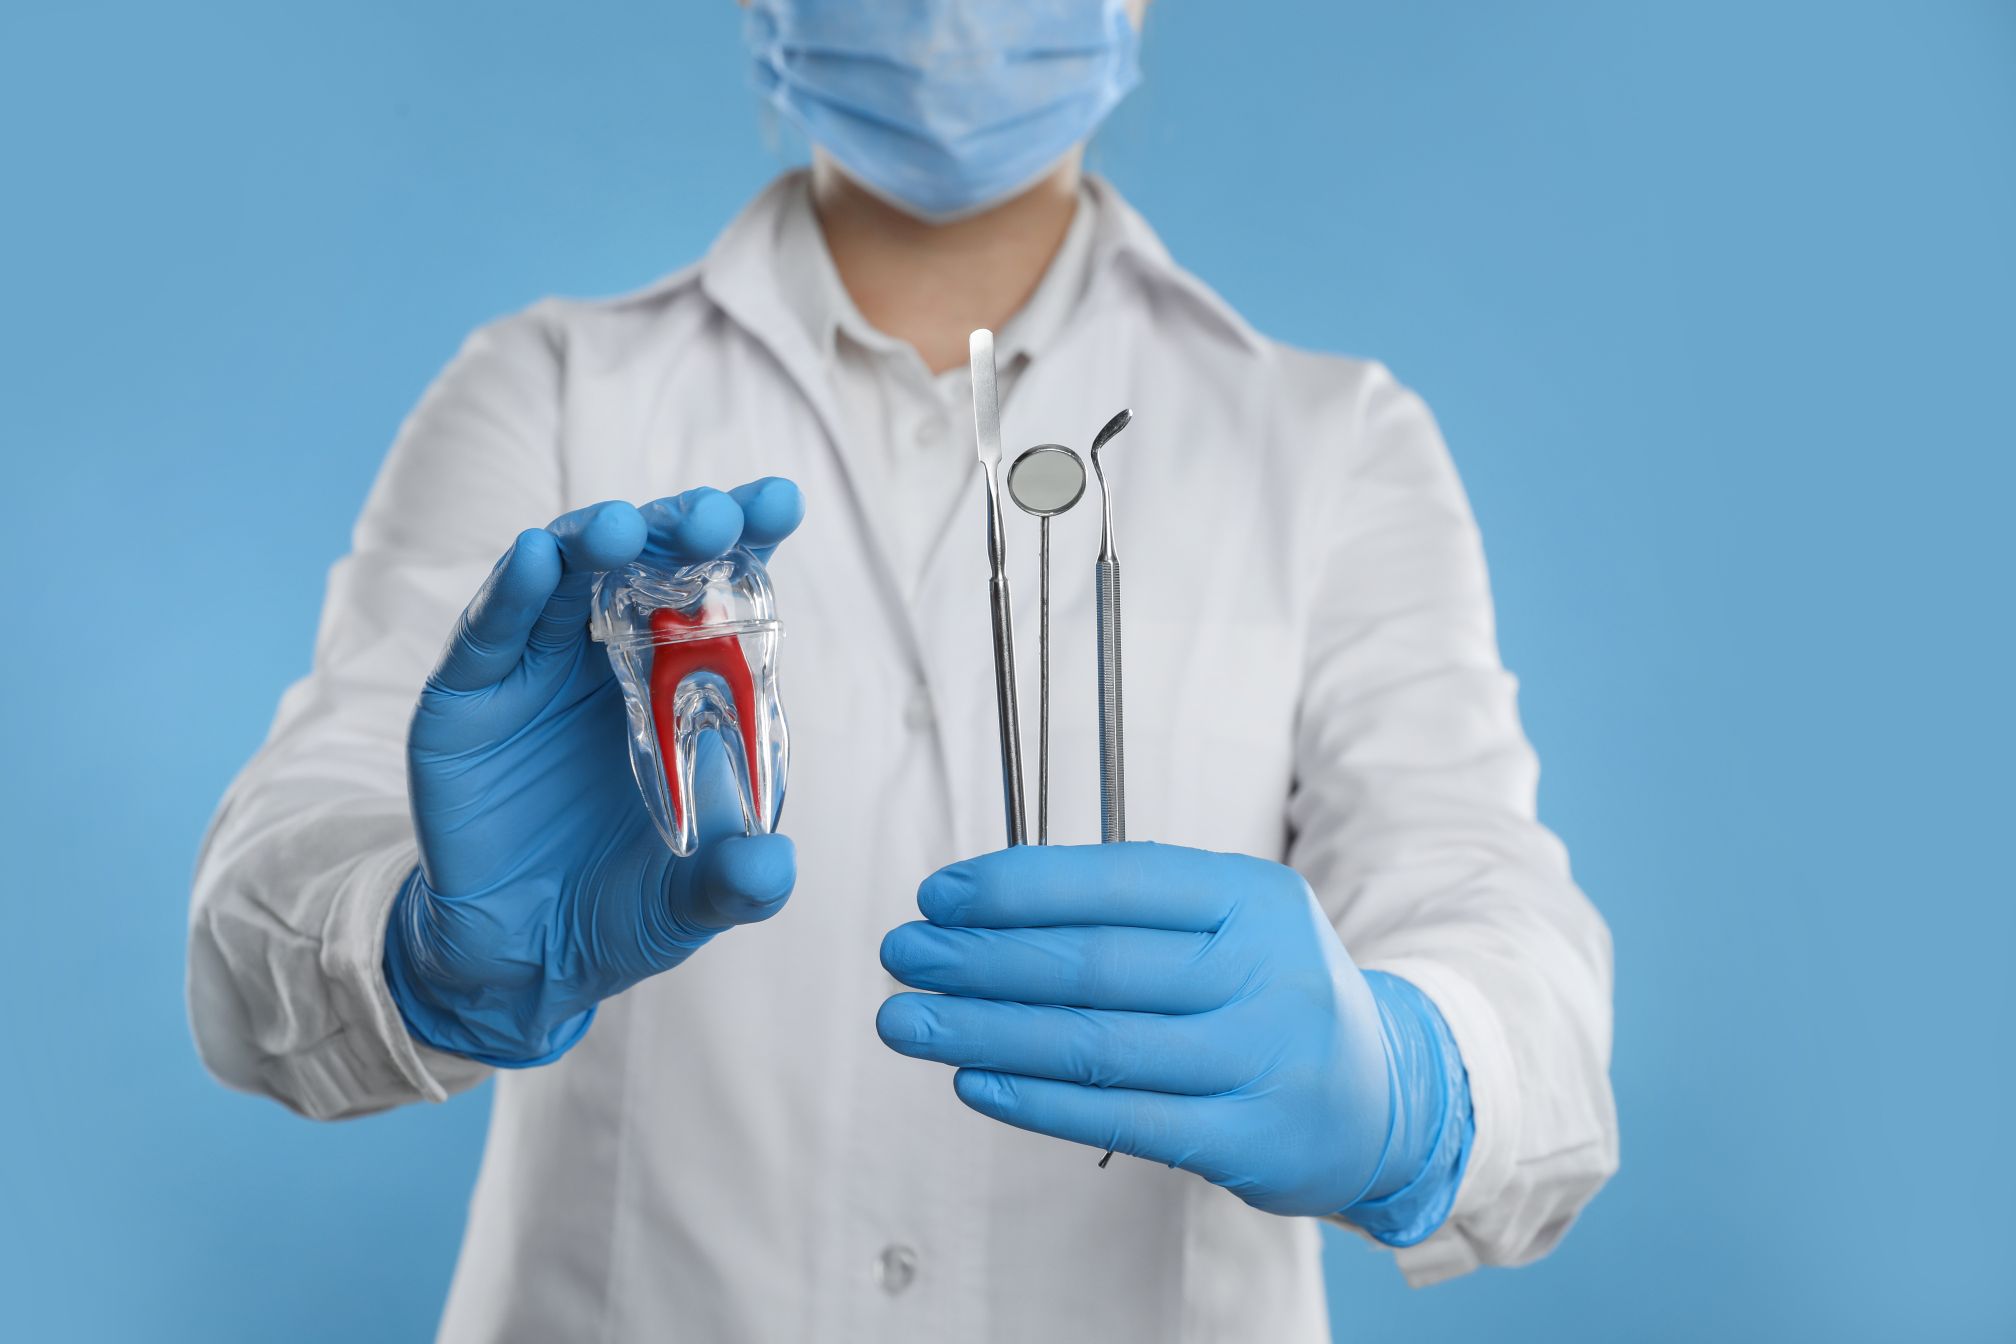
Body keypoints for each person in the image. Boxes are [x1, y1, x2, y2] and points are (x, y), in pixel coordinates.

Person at [188, 3, 1618, 1339]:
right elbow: (257, 918)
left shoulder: (1331, 445)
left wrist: (1412, 1077)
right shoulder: (552, 391)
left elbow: (1506, 937)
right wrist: (419, 945)